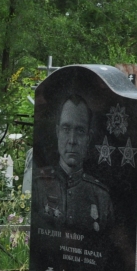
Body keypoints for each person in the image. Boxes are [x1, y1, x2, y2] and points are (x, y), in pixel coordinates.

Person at [34, 94, 114, 234]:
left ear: (88, 138)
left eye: (80, 131)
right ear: (57, 132)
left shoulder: (100, 197)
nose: (72, 140)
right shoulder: (37, 185)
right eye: (66, 129)